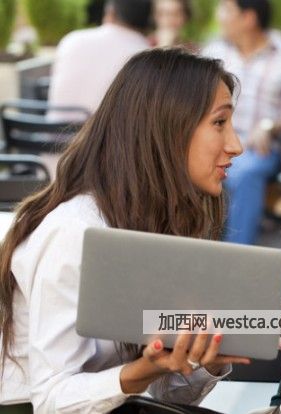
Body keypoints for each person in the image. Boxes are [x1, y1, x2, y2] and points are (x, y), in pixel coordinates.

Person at [0, 49, 249, 412]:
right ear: (166, 128)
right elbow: (52, 400)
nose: (236, 145)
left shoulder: (153, 224)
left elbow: (168, 394)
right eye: (219, 122)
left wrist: (204, 359)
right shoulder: (74, 232)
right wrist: (137, 374)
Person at [202, 0, 281, 245]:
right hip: (214, 144)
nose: (220, 16)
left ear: (248, 18)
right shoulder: (214, 52)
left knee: (244, 172)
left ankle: (235, 257)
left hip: (262, 149)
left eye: (227, 10)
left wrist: (269, 126)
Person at [48, 0, 152, 121]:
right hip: (103, 132)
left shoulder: (71, 39)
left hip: (48, 130)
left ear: (110, 12)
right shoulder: (143, 53)